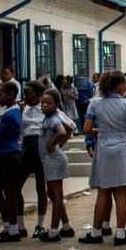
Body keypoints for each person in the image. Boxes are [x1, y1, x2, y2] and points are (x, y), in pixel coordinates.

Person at [79, 71, 126, 246]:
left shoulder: (94, 104)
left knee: (103, 191)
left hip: (104, 147)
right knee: (121, 192)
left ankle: (96, 232)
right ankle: (120, 233)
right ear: (119, 85)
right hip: (123, 147)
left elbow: (87, 127)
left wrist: (101, 132)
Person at [37, 89, 76, 241]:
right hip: (50, 159)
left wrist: (51, 144)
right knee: (52, 194)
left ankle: (53, 231)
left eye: (48, 103)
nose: (44, 106)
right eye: (43, 103)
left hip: (54, 159)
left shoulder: (53, 118)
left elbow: (62, 131)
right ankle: (66, 226)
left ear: (56, 104)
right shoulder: (48, 118)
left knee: (56, 194)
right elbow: (68, 130)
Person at [0, 83, 25, 242]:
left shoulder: (11, 115)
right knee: (0, 191)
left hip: (7, 156)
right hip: (7, 155)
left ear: (11, 94)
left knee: (8, 193)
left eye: (1, 94)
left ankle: (12, 229)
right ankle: (10, 226)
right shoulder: (11, 112)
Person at [19, 81, 49, 236]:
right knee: (17, 186)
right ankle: (20, 225)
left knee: (40, 187)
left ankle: (40, 224)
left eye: (28, 93)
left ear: (37, 94)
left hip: (39, 145)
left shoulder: (45, 109)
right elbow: (22, 129)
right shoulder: (24, 108)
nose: (25, 96)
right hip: (26, 147)